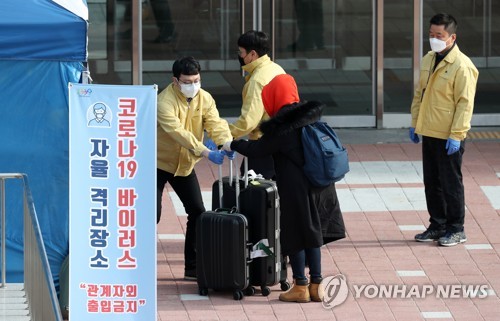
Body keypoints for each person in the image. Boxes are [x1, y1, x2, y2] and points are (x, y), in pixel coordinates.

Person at [222, 74, 346, 303]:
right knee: (312, 234)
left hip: (296, 187)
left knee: (295, 234)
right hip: (319, 185)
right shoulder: (309, 116)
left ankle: (300, 286)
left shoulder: (283, 125)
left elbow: (259, 149)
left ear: (273, 97)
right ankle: (317, 284)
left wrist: (233, 143)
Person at [157, 56, 232, 280]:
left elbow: (215, 123)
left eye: (196, 80)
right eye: (187, 81)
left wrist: (226, 142)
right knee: (150, 215)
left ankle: (192, 266)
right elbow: (179, 134)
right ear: (175, 81)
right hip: (158, 163)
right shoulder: (164, 102)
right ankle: (134, 263)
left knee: (198, 212)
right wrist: (206, 152)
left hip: (185, 165)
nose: (193, 86)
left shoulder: (204, 98)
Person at [410, 13, 478, 247]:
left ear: (452, 37)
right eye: (431, 35)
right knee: (432, 182)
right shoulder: (429, 58)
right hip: (429, 131)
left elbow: (464, 104)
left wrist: (457, 135)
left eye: (439, 35)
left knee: (451, 184)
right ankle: (437, 225)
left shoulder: (462, 66)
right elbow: (421, 94)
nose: (434, 39)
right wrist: (416, 123)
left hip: (449, 135)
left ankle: (456, 229)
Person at [229, 30, 286, 179]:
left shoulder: (257, 81)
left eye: (241, 52)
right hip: (282, 140)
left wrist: (226, 135)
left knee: (255, 194)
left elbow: (249, 121)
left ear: (252, 54)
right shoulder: (276, 68)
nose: (240, 56)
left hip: (263, 144)